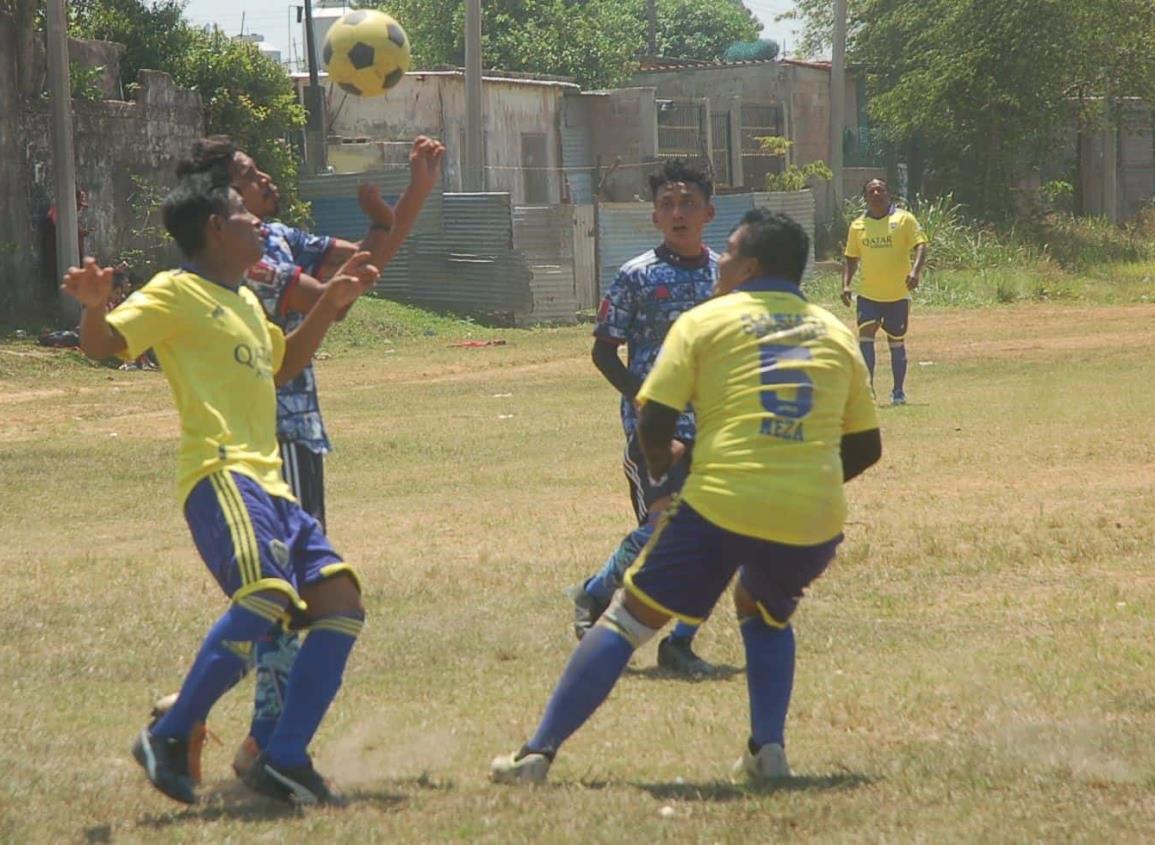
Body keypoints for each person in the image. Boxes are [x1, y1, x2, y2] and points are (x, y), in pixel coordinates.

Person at [491, 209, 882, 785]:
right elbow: (867, 446)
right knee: (766, 612)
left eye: (727, 253)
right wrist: (801, 475)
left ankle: (535, 755)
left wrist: (665, 471)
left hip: (720, 501)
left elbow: (655, 421)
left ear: (749, 266)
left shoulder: (706, 322)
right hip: (812, 516)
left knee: (627, 619)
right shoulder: (832, 331)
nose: (719, 262)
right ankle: (767, 751)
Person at [62, 170, 379, 806]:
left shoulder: (243, 303)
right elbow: (104, 346)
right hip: (222, 472)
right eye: (244, 213)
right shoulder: (174, 291)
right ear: (213, 226)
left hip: (272, 483)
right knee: (266, 596)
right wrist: (94, 307)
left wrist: (328, 304)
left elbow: (285, 362)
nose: (259, 222)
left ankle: (282, 758)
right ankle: (171, 733)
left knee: (340, 601)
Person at [160, 135, 444, 779]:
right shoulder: (249, 260)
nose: (265, 180)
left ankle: (229, 724)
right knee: (285, 597)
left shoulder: (275, 237)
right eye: (247, 175)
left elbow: (362, 273)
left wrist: (411, 198)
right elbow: (330, 296)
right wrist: (371, 241)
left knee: (290, 594)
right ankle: (247, 735)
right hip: (266, 438)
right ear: (218, 203)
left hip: (295, 431)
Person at [568, 159, 718, 677]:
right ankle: (594, 593)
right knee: (664, 524)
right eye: (668, 204)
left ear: (708, 213)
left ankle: (680, 642)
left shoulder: (727, 276)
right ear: (655, 217)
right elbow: (604, 352)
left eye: (688, 203)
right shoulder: (635, 276)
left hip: (717, 427)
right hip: (656, 429)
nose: (678, 213)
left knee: (717, 538)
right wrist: (642, 396)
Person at [841, 178, 928, 405]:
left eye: (881, 189)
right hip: (868, 295)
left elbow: (921, 244)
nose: (877, 193)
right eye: (872, 190)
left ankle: (898, 391)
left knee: (896, 342)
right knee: (866, 338)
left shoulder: (904, 219)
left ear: (889, 194)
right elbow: (851, 258)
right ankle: (868, 390)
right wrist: (846, 285)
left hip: (897, 295)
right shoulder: (858, 226)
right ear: (866, 197)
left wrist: (915, 272)